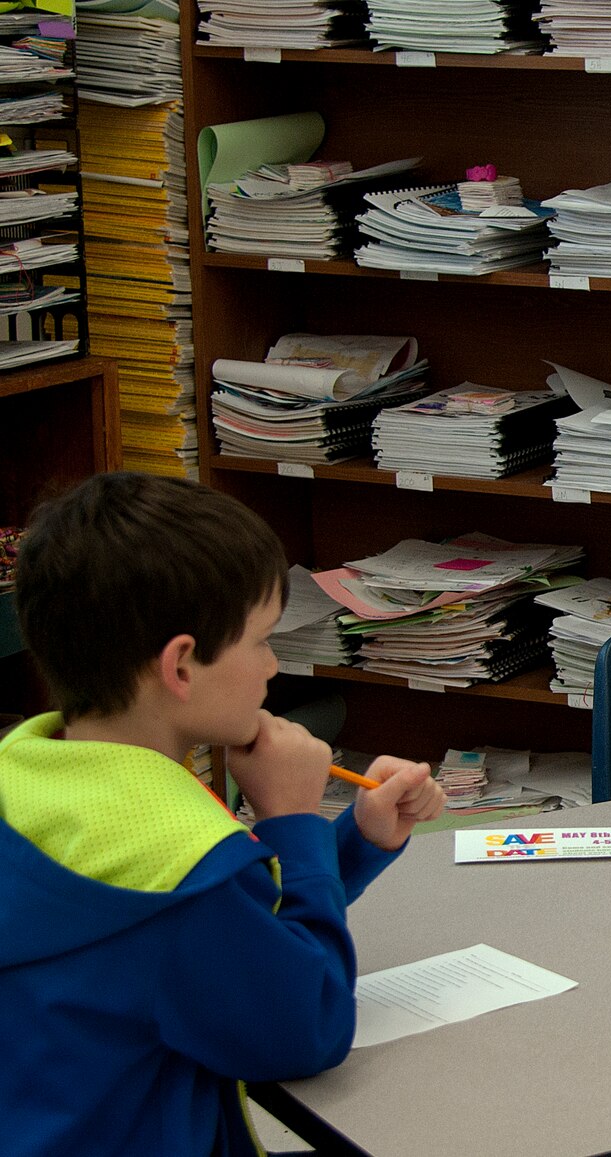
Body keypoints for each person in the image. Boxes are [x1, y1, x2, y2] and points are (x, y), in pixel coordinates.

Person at [0, 472, 445, 1156]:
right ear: (181, 666)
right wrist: (292, 821)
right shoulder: (184, 867)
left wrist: (350, 842)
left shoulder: (26, 781)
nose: (272, 666)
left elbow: (234, 940)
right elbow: (307, 1025)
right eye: (263, 640)